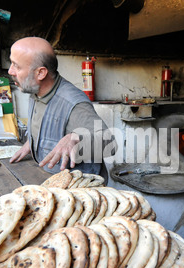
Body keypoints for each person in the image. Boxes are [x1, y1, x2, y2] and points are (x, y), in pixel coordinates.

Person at [7, 36, 113, 175]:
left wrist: (75, 138)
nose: (10, 71)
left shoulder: (73, 103)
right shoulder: (35, 90)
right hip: (47, 178)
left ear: (40, 73)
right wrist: (32, 143)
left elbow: (108, 142)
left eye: (17, 66)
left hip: (80, 189)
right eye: (11, 63)